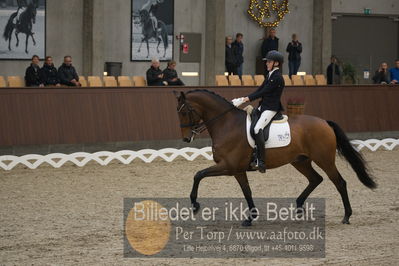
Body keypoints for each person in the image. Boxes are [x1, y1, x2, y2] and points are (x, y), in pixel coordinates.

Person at [231, 50, 285, 173]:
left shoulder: (277, 77)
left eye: (269, 61)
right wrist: (243, 99)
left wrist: (245, 100)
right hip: (264, 106)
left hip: (271, 108)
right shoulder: (270, 75)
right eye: (267, 61)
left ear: (276, 63)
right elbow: (259, 90)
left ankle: (261, 160)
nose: (266, 63)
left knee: (257, 128)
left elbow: (263, 92)